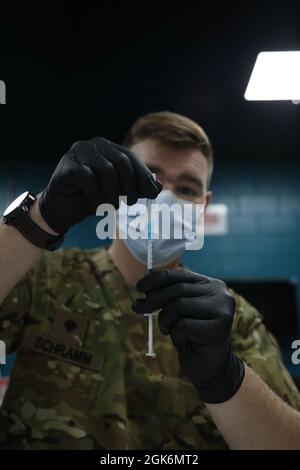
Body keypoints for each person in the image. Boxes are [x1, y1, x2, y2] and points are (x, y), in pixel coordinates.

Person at [0, 112, 299, 450]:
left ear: (204, 206)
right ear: (113, 188)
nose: (165, 198)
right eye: (149, 178)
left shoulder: (236, 322)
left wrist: (227, 377)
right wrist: (41, 217)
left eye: (186, 188)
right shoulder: (44, 278)